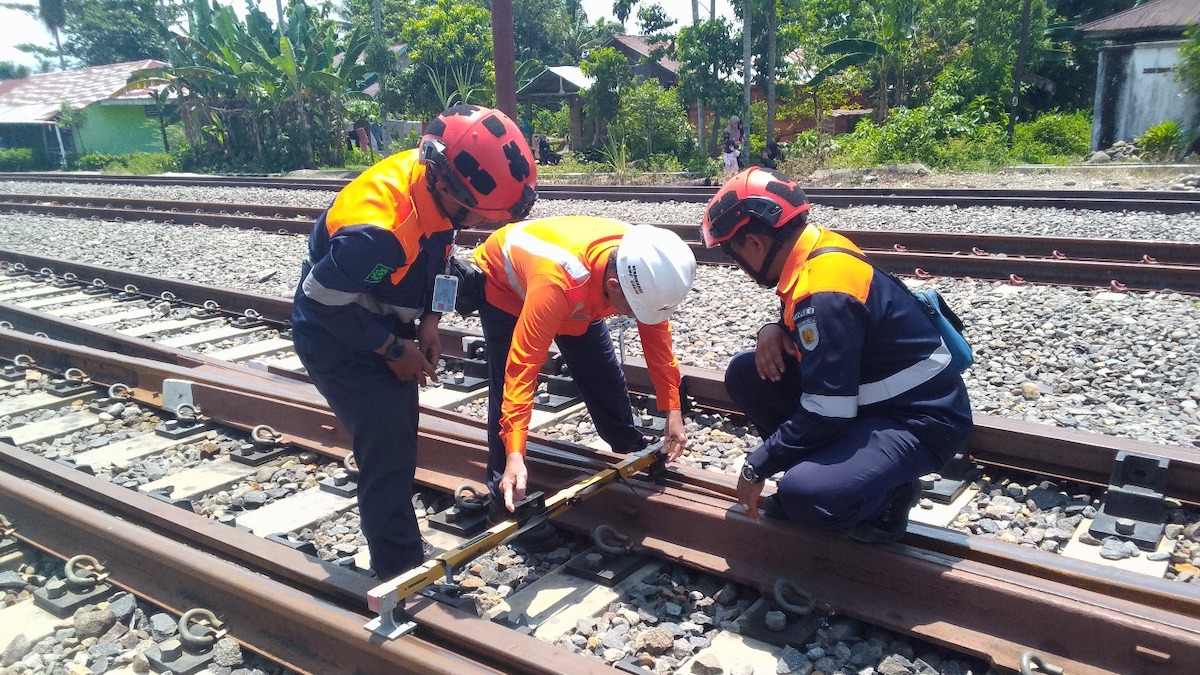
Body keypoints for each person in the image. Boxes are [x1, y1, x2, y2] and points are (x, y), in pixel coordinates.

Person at [291, 104, 537, 580]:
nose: (479, 222)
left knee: (401, 431)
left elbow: (441, 256)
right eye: (476, 213)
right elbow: (316, 305)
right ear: (448, 186)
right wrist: (390, 350)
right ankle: (399, 572)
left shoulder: (438, 178)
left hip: (384, 316)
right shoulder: (379, 234)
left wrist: (430, 320)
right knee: (388, 447)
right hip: (337, 339)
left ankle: (399, 545)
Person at [700, 167, 972, 543]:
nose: (737, 264)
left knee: (806, 496)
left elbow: (828, 409)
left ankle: (887, 497)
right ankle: (838, 470)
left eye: (733, 251)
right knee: (748, 373)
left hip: (921, 420)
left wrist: (756, 466)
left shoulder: (825, 292)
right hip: (873, 398)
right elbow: (826, 341)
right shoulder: (815, 249)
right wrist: (773, 329)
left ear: (756, 244)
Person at [472, 217, 697, 513]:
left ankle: (629, 449)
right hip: (508, 291)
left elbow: (657, 340)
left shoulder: (642, 264)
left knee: (605, 377)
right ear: (614, 286)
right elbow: (522, 369)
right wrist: (516, 451)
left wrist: (673, 409)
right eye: (632, 310)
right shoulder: (559, 283)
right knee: (504, 387)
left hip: (579, 290)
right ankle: (505, 491)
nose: (634, 317)